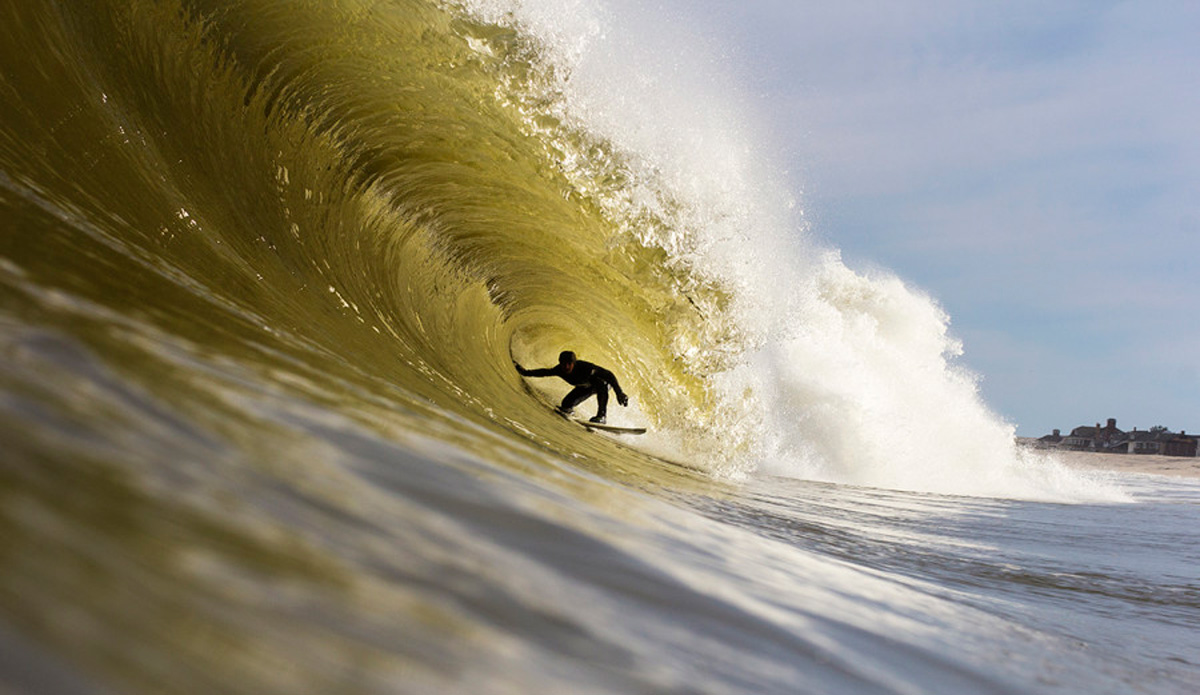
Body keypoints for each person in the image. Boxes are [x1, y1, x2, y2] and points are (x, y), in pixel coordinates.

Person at [515, 350, 629, 424]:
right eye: (563, 363)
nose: (566, 366)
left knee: (601, 383)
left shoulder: (586, 368)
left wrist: (619, 392)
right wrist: (526, 372)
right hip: (586, 387)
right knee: (566, 405)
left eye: (569, 363)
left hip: (603, 384)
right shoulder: (560, 370)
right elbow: (545, 372)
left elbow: (608, 374)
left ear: (574, 363)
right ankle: (571, 411)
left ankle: (602, 416)